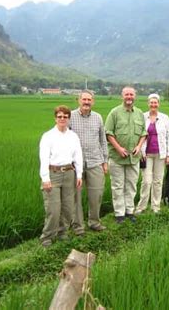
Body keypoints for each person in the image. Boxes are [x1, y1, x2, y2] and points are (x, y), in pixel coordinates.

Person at [39, 105, 83, 247]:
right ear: (55, 118)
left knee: (68, 207)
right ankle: (47, 237)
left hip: (69, 173)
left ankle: (62, 233)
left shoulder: (73, 136)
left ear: (69, 118)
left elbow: (78, 156)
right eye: (60, 116)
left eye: (65, 116)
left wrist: (79, 174)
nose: (62, 119)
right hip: (53, 174)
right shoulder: (48, 136)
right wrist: (45, 178)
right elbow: (44, 158)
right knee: (53, 209)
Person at [105, 87, 147, 223]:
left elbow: (143, 133)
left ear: (135, 96)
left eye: (131, 94)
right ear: (122, 96)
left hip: (133, 158)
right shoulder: (114, 113)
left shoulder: (139, 113)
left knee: (131, 185)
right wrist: (118, 148)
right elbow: (109, 132)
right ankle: (119, 214)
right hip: (117, 157)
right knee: (117, 186)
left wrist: (139, 146)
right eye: (126, 94)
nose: (129, 97)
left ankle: (130, 211)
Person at [69, 90, 108, 234]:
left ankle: (94, 222)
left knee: (96, 194)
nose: (86, 102)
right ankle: (78, 227)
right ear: (78, 100)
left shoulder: (98, 117)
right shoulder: (70, 116)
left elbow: (102, 140)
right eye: (84, 99)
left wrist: (105, 161)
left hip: (95, 161)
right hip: (75, 165)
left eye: (89, 100)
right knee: (76, 197)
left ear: (93, 102)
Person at [135, 94, 169, 214]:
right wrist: (140, 151)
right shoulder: (142, 117)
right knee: (146, 181)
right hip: (146, 154)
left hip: (160, 154)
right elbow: (138, 135)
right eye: (151, 103)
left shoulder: (164, 118)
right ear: (148, 103)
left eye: (155, 103)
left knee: (158, 181)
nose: (153, 105)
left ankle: (156, 206)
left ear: (158, 104)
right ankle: (141, 206)